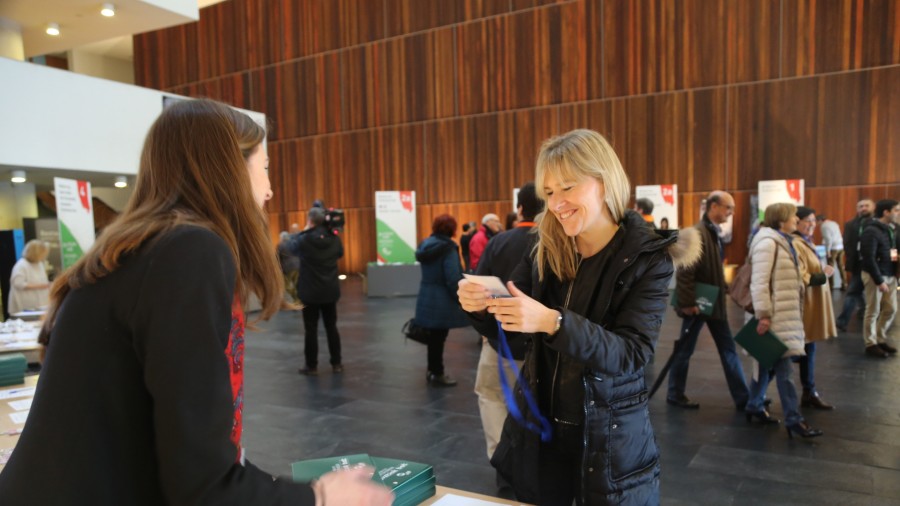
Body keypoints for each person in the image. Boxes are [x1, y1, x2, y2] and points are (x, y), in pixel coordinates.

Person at [0, 99, 392, 505]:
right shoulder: (190, 251)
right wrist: (321, 498)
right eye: (266, 167)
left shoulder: (140, 248)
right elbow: (202, 484)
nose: (270, 189)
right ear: (228, 167)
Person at [457, 129, 699, 505]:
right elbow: (515, 339)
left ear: (603, 182)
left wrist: (553, 322)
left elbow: (631, 353)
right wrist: (483, 306)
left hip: (607, 444)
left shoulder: (646, 258)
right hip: (536, 435)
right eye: (549, 192)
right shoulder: (545, 247)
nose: (556, 204)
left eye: (567, 188)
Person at [473, 182, 540, 466]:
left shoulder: (499, 241)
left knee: (490, 394)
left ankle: (500, 456)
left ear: (520, 207)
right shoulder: (554, 243)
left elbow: (480, 287)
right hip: (542, 345)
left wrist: (488, 332)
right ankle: (531, 460)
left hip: (499, 341)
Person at [745, 202, 822, 439]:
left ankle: (754, 405)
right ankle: (794, 420)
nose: (797, 222)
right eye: (793, 218)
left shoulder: (782, 241)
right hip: (775, 318)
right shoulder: (768, 243)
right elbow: (759, 283)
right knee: (784, 370)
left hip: (784, 316)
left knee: (767, 364)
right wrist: (764, 315)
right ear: (781, 221)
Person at [667, 191, 750, 410]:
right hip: (698, 305)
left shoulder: (711, 233)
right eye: (727, 207)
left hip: (712, 303)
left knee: (727, 349)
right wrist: (687, 304)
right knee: (685, 351)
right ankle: (674, 394)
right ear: (713, 206)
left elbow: (711, 267)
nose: (730, 213)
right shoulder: (696, 233)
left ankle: (743, 398)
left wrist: (725, 287)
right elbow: (685, 272)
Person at [414, 214, 470, 387]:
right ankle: (437, 373)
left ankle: (432, 370)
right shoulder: (448, 248)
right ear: (452, 229)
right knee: (438, 337)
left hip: (426, 294)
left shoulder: (425, 244)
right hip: (442, 299)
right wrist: (461, 298)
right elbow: (452, 277)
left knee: (433, 337)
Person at [790, 207, 836, 409]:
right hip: (800, 305)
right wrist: (823, 275)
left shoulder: (805, 241)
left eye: (813, 221)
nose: (811, 224)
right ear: (796, 222)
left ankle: (809, 391)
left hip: (808, 303)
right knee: (785, 353)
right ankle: (756, 397)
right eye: (807, 220)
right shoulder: (795, 243)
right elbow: (800, 276)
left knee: (808, 347)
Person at [292, 206, 345, 375]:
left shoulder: (304, 239)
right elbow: (340, 254)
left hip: (310, 293)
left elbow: (291, 248)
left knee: (311, 329)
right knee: (332, 327)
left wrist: (305, 230)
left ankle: (311, 365)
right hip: (329, 291)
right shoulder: (334, 239)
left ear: (309, 220)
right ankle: (336, 363)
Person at [858, 199, 899, 358]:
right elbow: (868, 258)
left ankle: (880, 338)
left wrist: (895, 270)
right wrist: (879, 280)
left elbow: (892, 251)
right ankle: (871, 343)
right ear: (886, 212)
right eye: (896, 210)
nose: (898, 213)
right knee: (873, 310)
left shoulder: (891, 229)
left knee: (891, 309)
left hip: (890, 274)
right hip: (875, 275)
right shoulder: (871, 231)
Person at [836, 199, 875, 330]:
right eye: (860, 206)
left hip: (876, 266)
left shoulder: (878, 223)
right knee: (853, 292)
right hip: (858, 266)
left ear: (873, 207)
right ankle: (842, 321)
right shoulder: (850, 224)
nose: (863, 208)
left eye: (866, 206)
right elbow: (847, 244)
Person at [7, 239, 51, 315]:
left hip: (40, 304)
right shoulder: (21, 265)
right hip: (25, 306)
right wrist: (42, 286)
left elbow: (42, 280)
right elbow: (18, 284)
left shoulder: (39, 264)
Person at [818, 214, 844, 290]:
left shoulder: (824, 226)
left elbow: (828, 239)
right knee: (841, 266)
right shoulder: (834, 223)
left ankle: (831, 285)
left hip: (832, 248)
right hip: (841, 246)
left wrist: (828, 251)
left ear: (820, 220)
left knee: (830, 267)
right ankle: (844, 284)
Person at [277, 230, 300, 305]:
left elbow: (277, 258)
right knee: (297, 284)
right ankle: (298, 299)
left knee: (286, 285)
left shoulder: (281, 245)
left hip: (288, 267)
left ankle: (296, 298)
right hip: (298, 265)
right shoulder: (294, 243)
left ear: (281, 238)